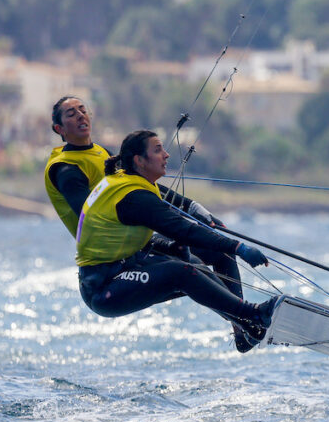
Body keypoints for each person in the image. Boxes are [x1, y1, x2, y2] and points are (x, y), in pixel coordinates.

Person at [43, 96, 258, 351]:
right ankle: (249, 317)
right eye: (70, 114)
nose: (80, 115)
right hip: (111, 252)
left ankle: (243, 327)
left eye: (82, 110)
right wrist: (157, 220)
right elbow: (93, 217)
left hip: (134, 236)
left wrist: (191, 207)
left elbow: (142, 182)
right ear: (59, 129)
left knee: (215, 252)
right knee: (190, 265)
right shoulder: (66, 169)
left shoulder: (100, 152)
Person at [76, 129, 281, 347]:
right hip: (103, 287)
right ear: (139, 160)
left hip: (129, 263)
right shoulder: (133, 197)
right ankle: (251, 315)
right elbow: (184, 230)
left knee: (204, 257)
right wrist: (240, 247)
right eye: (157, 150)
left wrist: (207, 224)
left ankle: (244, 329)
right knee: (180, 272)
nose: (166, 155)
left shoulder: (132, 180)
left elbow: (178, 208)